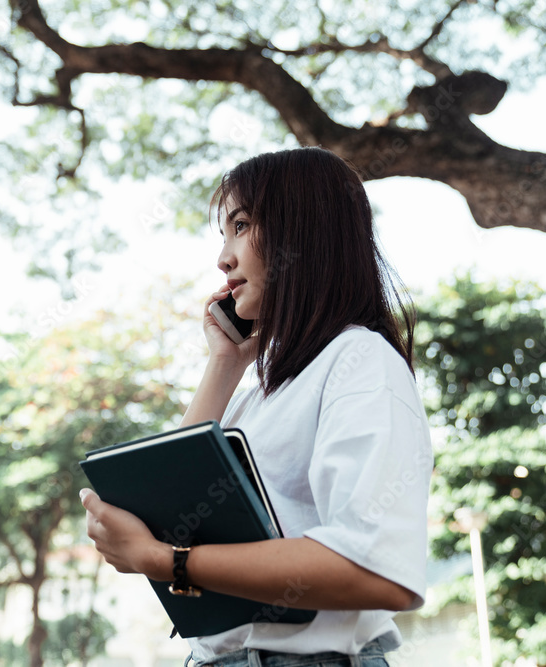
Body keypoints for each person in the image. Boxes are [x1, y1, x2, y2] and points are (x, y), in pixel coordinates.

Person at [79, 146, 433, 667]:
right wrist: (224, 365)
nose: (223, 259)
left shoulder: (359, 360)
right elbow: (171, 509)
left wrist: (166, 561)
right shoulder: (255, 397)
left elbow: (377, 567)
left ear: (303, 233)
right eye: (224, 235)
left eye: (241, 226)